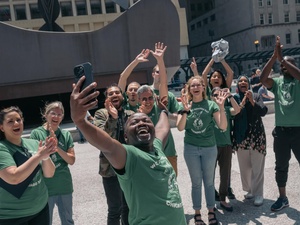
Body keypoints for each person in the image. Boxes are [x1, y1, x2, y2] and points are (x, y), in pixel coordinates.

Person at [70, 75, 187, 225]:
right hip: (112, 176)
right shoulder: (130, 156)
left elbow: (162, 128)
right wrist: (79, 121)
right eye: (135, 123)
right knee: (115, 210)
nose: (141, 123)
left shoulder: (156, 147)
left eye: (145, 120)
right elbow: (107, 144)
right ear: (126, 137)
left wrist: (162, 111)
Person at [177, 75, 227, 225]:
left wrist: (222, 107)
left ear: (203, 88)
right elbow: (180, 127)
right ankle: (197, 213)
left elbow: (222, 126)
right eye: (193, 85)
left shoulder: (211, 105)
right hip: (191, 148)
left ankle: (211, 211)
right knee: (196, 182)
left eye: (199, 85)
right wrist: (185, 111)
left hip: (209, 148)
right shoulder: (185, 105)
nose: (196, 87)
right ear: (189, 89)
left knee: (209, 182)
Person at [260, 36, 300, 212]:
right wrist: (274, 57)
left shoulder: (298, 81)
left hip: (298, 131)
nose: (283, 66)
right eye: (282, 65)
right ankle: (282, 198)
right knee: (281, 165)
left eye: (287, 64)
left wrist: (283, 57)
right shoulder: (277, 82)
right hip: (282, 133)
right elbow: (263, 79)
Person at [190, 57, 237, 201]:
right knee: (210, 171)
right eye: (213, 76)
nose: (216, 78)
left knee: (225, 169)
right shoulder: (208, 96)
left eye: (218, 76)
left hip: (224, 136)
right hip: (210, 141)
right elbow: (202, 77)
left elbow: (231, 73)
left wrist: (221, 59)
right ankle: (215, 192)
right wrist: (212, 59)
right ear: (209, 82)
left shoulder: (224, 92)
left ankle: (225, 190)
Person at [0, 106, 56, 225]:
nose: (16, 123)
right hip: (12, 217)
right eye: (10, 121)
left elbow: (49, 174)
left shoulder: (34, 143)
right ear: (1, 127)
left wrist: (46, 156)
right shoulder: (2, 148)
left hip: (40, 210)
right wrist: (39, 156)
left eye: (18, 120)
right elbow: (13, 177)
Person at [30, 101, 76, 225]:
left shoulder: (65, 134)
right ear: (46, 114)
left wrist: (57, 148)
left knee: (68, 221)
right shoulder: (36, 134)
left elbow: (71, 160)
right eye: (53, 113)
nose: (56, 117)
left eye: (60, 114)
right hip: (45, 187)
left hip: (64, 185)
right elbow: (34, 160)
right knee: (45, 221)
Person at [93, 84, 133, 225]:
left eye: (117, 92)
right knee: (115, 209)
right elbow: (102, 138)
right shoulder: (100, 114)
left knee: (129, 207)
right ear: (106, 99)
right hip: (110, 170)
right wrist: (112, 118)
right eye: (111, 93)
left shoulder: (130, 115)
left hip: (129, 169)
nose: (115, 95)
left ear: (123, 96)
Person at [232, 75, 268, 207]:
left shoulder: (257, 96)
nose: (242, 83)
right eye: (240, 81)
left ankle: (259, 193)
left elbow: (263, 112)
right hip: (242, 138)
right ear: (238, 86)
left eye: (245, 81)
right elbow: (233, 115)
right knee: (245, 168)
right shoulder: (235, 98)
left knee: (257, 168)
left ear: (249, 84)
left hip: (256, 137)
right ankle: (250, 190)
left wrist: (252, 101)